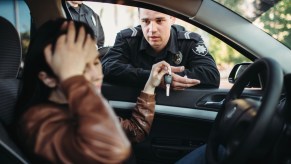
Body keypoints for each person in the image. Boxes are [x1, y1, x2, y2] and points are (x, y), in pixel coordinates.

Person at [16, 19, 171, 163]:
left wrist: (150, 85)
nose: (97, 75)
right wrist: (75, 80)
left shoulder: (80, 105)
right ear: (48, 78)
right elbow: (112, 148)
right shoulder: (37, 124)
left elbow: (135, 132)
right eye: (79, 67)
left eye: (96, 62)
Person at [102, 8, 220, 90]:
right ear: (139, 19)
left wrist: (166, 78)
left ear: (172, 18)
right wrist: (152, 77)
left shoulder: (189, 41)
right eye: (146, 21)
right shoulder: (127, 39)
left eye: (159, 20)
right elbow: (107, 67)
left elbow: (211, 75)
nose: (152, 29)